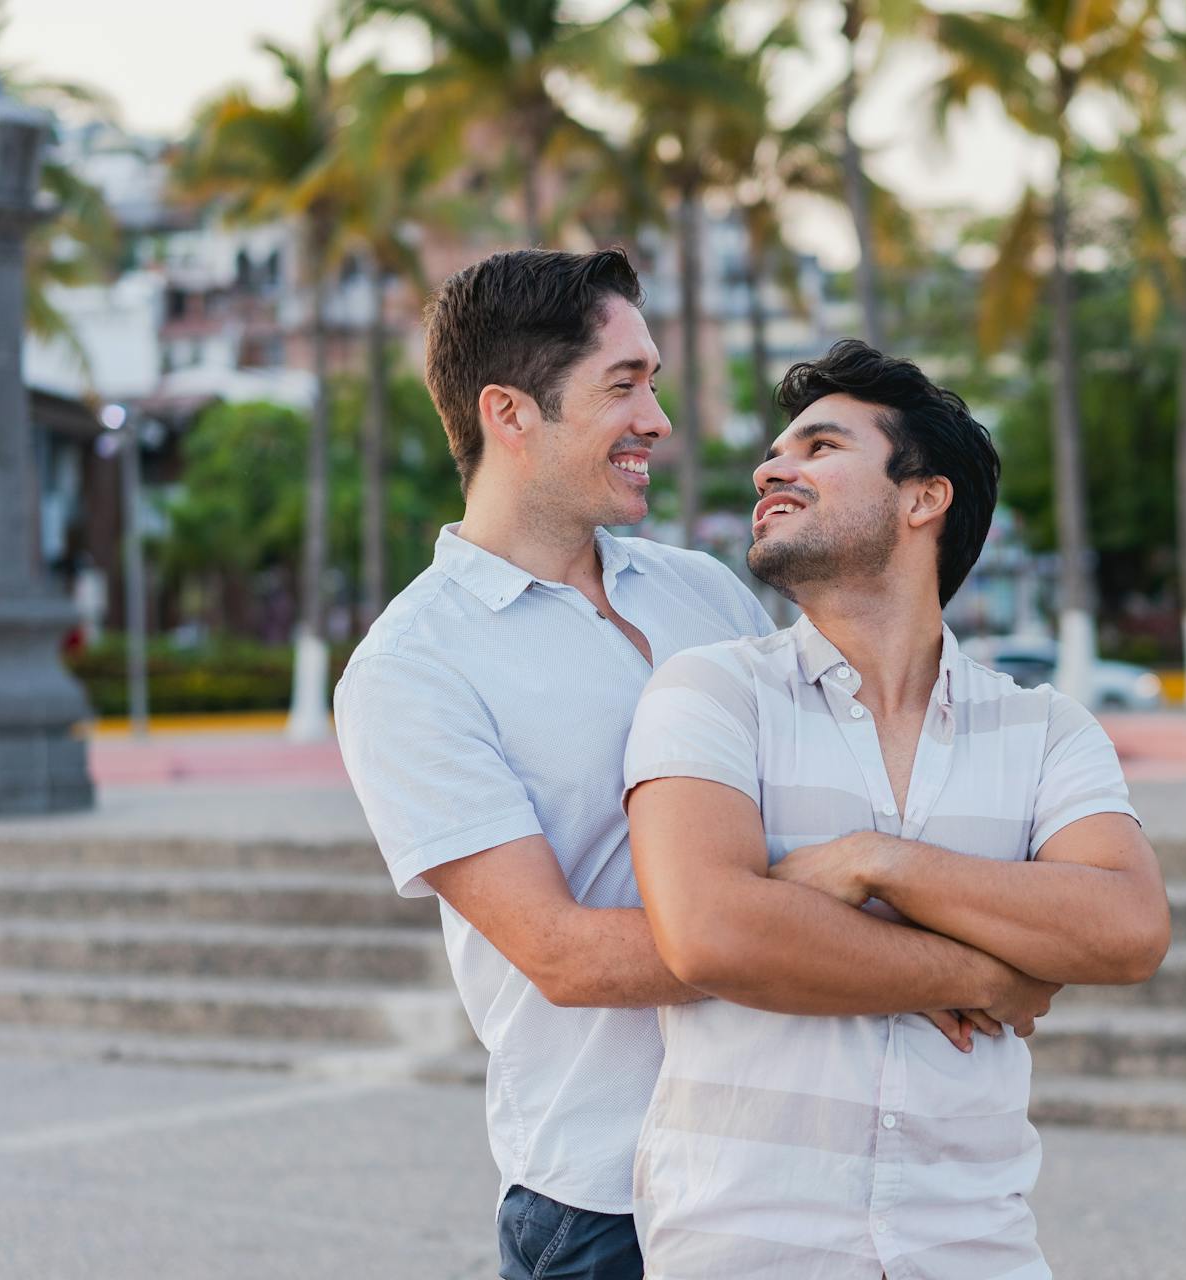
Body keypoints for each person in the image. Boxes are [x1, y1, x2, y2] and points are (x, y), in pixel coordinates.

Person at [335, 253, 1047, 1280]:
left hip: (784, 1170)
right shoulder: (411, 668)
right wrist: (951, 967)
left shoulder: (700, 592)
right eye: (624, 383)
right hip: (601, 1198)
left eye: (654, 381)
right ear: (510, 412)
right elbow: (564, 953)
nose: (659, 418)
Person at [624, 340, 1172, 1278]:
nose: (770, 467)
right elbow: (712, 933)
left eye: (822, 447)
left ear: (924, 498)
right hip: (749, 1248)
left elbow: (1127, 929)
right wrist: (982, 968)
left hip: (976, 1247)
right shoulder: (711, 693)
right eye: (776, 451)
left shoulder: (1044, 729)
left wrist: (880, 862)